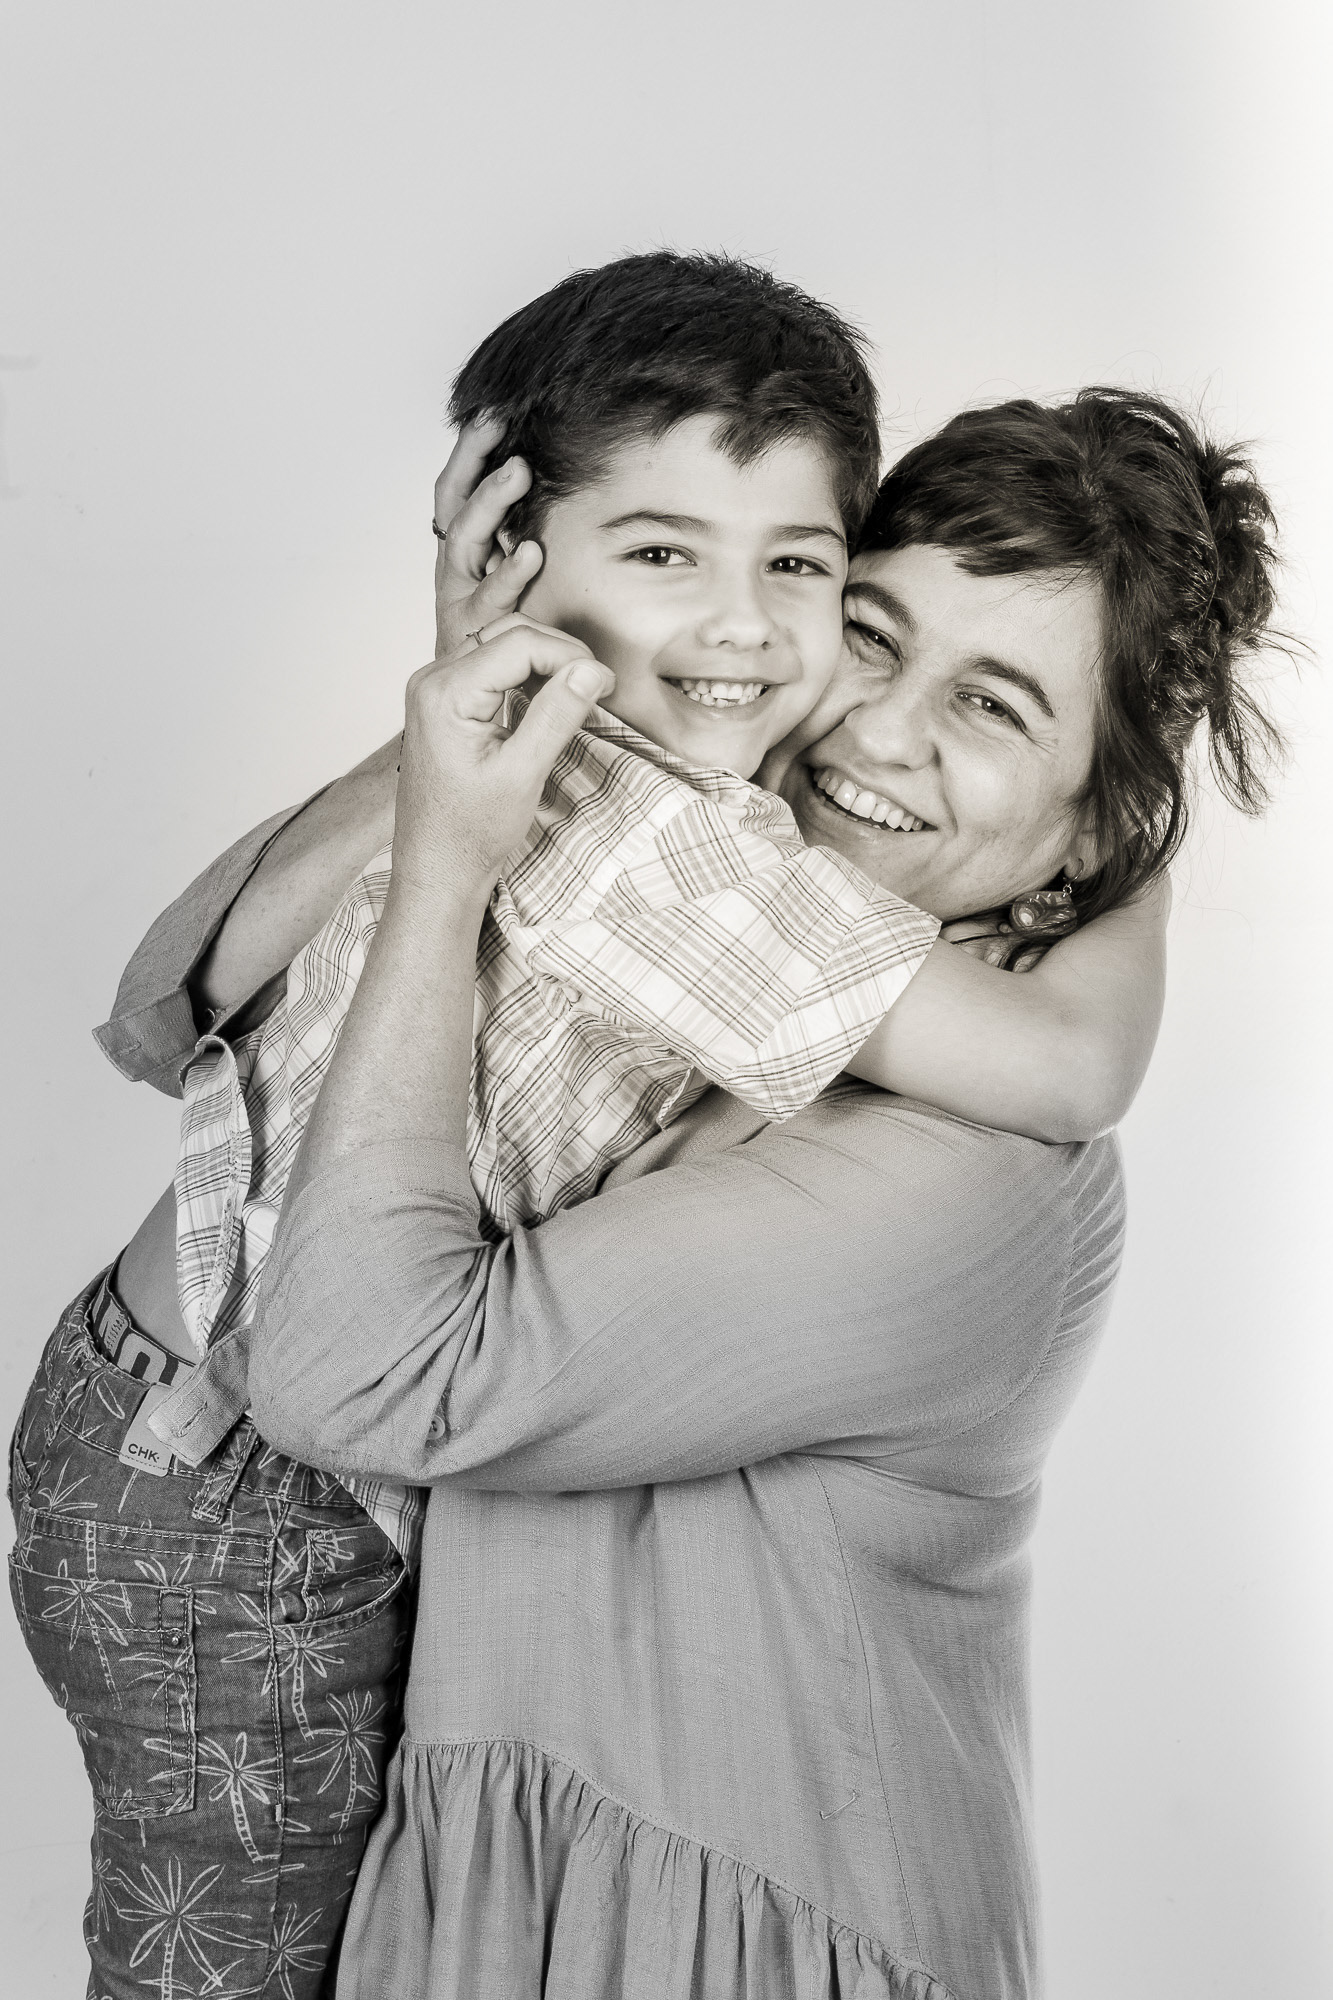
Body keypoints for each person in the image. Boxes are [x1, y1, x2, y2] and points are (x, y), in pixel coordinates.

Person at [214, 393, 1287, 1994]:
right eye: (867, 632)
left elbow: (358, 1367)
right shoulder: (705, 924)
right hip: (507, 1884)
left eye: (990, 707)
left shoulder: (972, 1182)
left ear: (1089, 839)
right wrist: (470, 712)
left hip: (730, 1932)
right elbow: (191, 986)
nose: (875, 732)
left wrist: (450, 870)